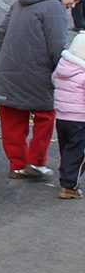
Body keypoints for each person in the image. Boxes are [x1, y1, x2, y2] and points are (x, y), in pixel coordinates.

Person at [0, 0, 85, 181]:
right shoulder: (54, 7)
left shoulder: (20, 0)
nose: (73, 5)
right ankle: (36, 161)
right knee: (46, 114)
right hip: (38, 72)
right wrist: (59, 71)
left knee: (12, 117)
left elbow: (2, 30)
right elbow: (57, 46)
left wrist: (10, 55)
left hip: (10, 69)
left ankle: (17, 165)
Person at [51, 31, 85, 199]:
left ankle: (66, 178)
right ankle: (69, 185)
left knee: (66, 149)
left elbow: (53, 81)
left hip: (62, 116)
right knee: (78, 153)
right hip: (79, 118)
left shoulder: (63, 67)